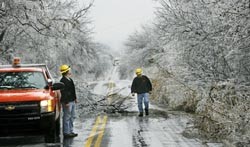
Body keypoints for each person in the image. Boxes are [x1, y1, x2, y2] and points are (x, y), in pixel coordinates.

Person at [59, 64, 78, 138]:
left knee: (72, 116)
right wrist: (66, 102)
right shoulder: (62, 81)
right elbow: (63, 93)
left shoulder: (70, 79)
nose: (70, 70)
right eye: (69, 69)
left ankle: (70, 131)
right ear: (67, 71)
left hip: (72, 100)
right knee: (67, 117)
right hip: (67, 102)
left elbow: (73, 90)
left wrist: (75, 98)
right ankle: (66, 132)